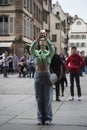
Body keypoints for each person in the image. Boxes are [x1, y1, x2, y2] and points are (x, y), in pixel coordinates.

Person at [30, 30, 54, 125]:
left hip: (46, 75)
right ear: (39, 43)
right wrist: (37, 39)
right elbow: (31, 49)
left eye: (43, 40)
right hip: (38, 76)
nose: (42, 41)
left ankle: (48, 118)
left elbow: (52, 48)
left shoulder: (49, 53)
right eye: (41, 40)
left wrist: (47, 39)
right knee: (39, 98)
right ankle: (40, 118)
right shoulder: (36, 52)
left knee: (47, 98)